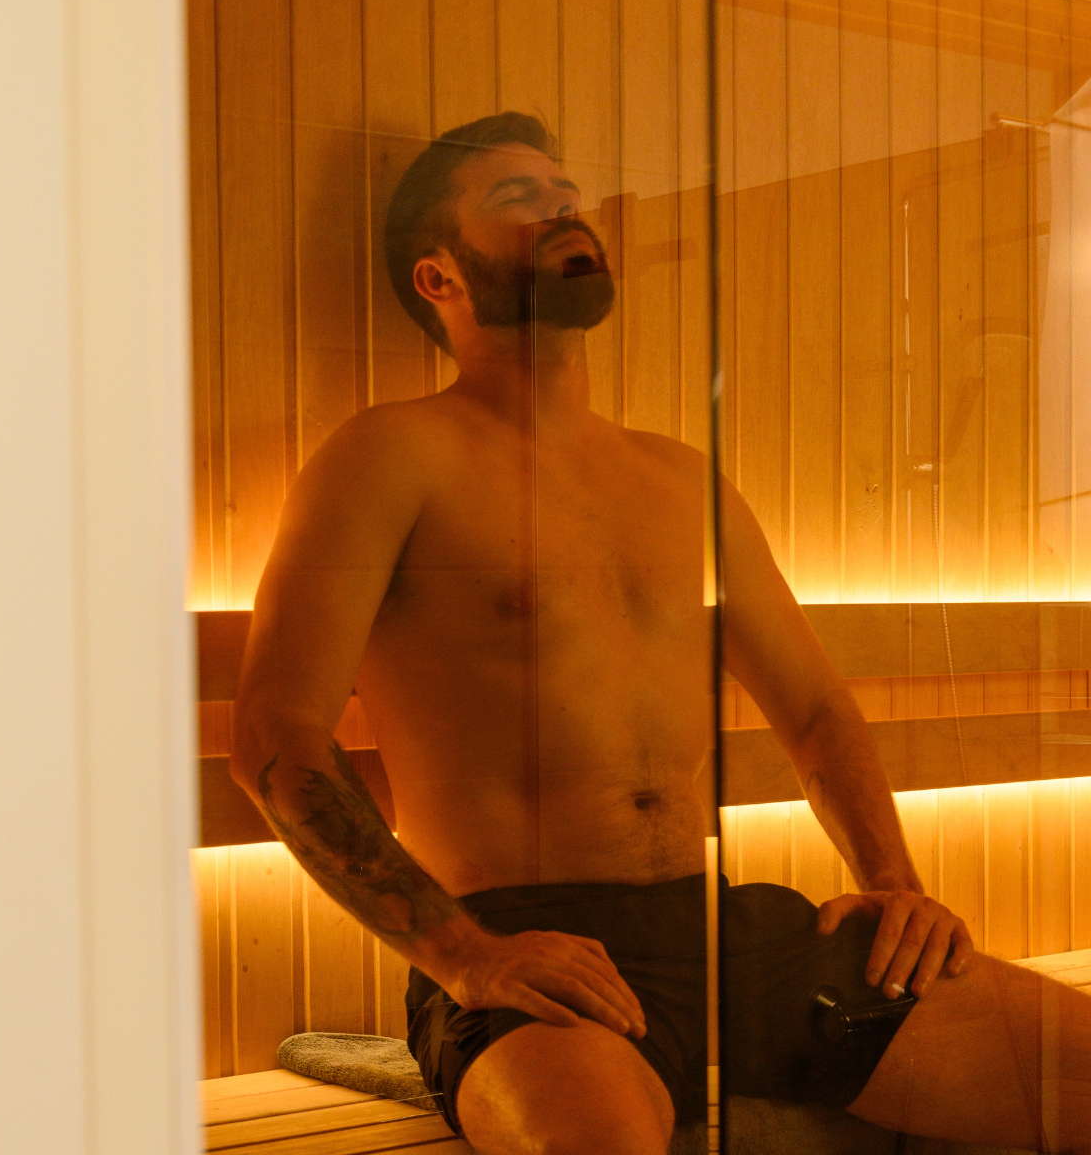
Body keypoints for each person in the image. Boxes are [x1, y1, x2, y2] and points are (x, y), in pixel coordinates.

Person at [231, 112, 1091, 1154]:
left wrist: (894, 884)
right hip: (528, 943)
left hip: (734, 932)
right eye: (516, 197)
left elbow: (816, 709)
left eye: (565, 192)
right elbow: (276, 736)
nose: (562, 208)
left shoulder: (682, 478)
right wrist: (463, 956)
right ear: (438, 277)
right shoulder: (390, 456)